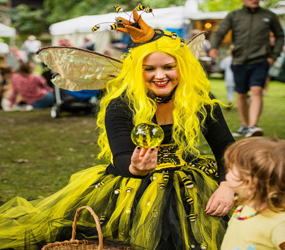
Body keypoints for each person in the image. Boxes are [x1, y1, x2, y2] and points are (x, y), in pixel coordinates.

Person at [0, 8, 235, 250]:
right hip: (130, 184)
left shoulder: (199, 99)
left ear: (182, 68)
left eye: (168, 67)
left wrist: (227, 185)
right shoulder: (121, 104)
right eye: (149, 69)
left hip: (191, 180)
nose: (160, 76)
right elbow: (121, 154)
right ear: (136, 70)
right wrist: (136, 167)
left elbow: (225, 146)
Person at [209, 0, 284, 138]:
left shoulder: (269, 15)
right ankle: (244, 125)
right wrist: (214, 46)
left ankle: (253, 126)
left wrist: (273, 56)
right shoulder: (234, 15)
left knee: (256, 90)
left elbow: (280, 36)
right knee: (241, 94)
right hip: (239, 61)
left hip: (261, 61)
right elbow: (220, 32)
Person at [222, 137, 285, 250]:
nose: (226, 171)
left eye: (230, 168)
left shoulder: (280, 224)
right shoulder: (246, 205)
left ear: (250, 181)